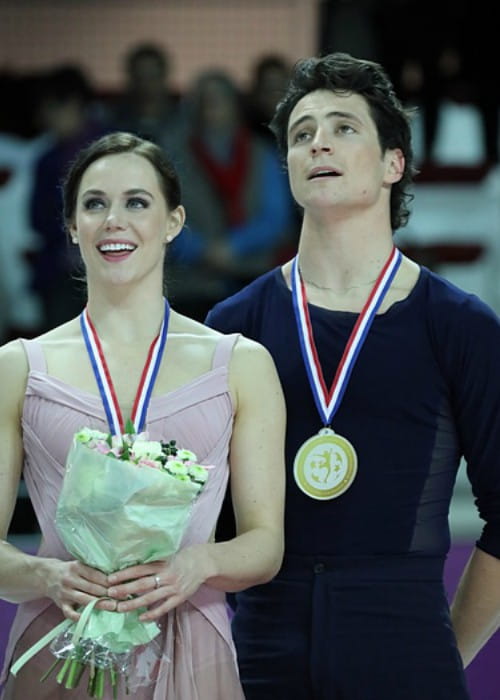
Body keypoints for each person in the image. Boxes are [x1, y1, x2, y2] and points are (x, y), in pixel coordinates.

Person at [205, 52, 500, 699]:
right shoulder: (232, 324)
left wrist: (440, 652)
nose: (318, 143)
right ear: (287, 168)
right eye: (302, 133)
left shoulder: (460, 326)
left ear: (394, 162)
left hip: (406, 644)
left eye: (343, 127)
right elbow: (203, 514)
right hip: (260, 651)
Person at [0, 131, 286, 699]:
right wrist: (47, 575)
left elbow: (265, 545)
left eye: (136, 202)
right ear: (72, 225)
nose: (114, 220)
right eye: (94, 204)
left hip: (193, 649)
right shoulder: (18, 367)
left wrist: (197, 564)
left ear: (174, 221)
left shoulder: (240, 363)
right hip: (59, 644)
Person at [163, 68, 295, 322]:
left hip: (256, 275)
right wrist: (202, 251)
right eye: (202, 101)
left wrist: (231, 247)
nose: (209, 108)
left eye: (217, 99)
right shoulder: (171, 156)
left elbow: (276, 219)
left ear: (236, 106)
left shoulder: (262, 153)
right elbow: (159, 217)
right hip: (190, 284)